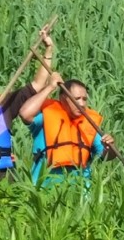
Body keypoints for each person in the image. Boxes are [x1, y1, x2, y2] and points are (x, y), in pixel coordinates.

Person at [16, 44, 115, 188]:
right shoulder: (48, 114)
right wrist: (50, 87)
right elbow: (25, 113)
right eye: (76, 99)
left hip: (80, 190)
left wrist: (109, 147)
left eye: (84, 99)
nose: (81, 104)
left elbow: (106, 157)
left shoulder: (88, 122)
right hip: (46, 186)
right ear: (63, 99)